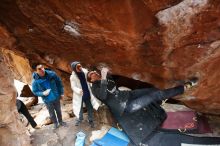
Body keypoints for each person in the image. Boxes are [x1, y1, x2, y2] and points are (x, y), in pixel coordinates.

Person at [87, 68, 201, 145]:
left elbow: (112, 86)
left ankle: (161, 99)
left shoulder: (105, 79)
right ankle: (184, 87)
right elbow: (103, 95)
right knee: (155, 95)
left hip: (128, 95)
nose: (94, 74)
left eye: (94, 72)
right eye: (91, 75)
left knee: (154, 91)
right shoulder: (95, 88)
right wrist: (102, 78)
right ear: (90, 80)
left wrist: (105, 74)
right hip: (125, 108)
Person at [31, 63, 66, 129]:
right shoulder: (35, 81)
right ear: (36, 71)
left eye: (42, 67)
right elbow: (35, 91)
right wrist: (42, 93)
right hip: (47, 100)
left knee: (58, 110)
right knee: (51, 112)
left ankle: (61, 122)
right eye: (39, 69)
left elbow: (59, 83)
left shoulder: (52, 74)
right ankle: (55, 124)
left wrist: (61, 93)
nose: (42, 70)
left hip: (56, 96)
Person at [70, 61, 101, 128]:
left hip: (87, 92)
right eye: (78, 67)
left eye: (80, 66)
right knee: (79, 108)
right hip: (80, 94)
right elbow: (73, 86)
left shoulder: (84, 71)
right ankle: (79, 119)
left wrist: (93, 73)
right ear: (74, 68)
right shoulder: (73, 77)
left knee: (90, 107)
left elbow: (89, 76)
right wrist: (78, 90)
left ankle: (91, 120)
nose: (80, 67)